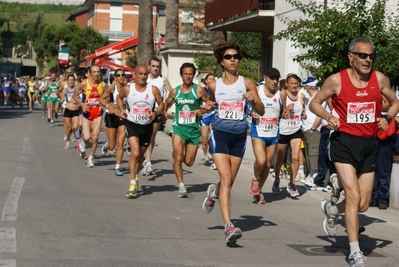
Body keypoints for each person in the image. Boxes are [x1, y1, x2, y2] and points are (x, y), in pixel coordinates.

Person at [310, 36, 399, 267]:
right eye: (362, 55)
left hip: (369, 145)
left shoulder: (379, 79)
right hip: (344, 143)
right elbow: (314, 103)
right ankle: (354, 252)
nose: (367, 60)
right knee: (353, 195)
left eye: (371, 56)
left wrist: (387, 116)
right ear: (351, 57)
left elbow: (396, 101)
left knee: (363, 204)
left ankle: (331, 209)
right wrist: (328, 116)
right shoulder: (336, 81)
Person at [201, 43, 264, 245]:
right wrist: (208, 106)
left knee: (228, 182)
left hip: (238, 138)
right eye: (228, 57)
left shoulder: (247, 83)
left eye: (236, 56)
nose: (233, 60)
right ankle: (228, 227)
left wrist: (254, 101)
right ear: (222, 61)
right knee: (226, 179)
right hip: (219, 135)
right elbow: (209, 106)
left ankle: (213, 193)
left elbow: (261, 110)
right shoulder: (214, 85)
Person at [164, 62, 211, 198]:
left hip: (193, 130)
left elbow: (210, 105)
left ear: (193, 75)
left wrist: (201, 109)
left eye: (190, 74)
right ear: (181, 75)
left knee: (189, 162)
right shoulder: (176, 91)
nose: (188, 76)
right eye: (186, 74)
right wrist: (161, 113)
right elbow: (166, 104)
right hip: (179, 128)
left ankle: (178, 158)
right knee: (178, 157)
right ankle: (181, 186)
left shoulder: (199, 90)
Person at [116, 64, 164, 198]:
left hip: (147, 126)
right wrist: (121, 110)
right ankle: (132, 183)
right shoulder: (127, 89)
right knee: (135, 153)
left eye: (145, 74)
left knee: (141, 156)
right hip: (132, 124)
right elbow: (119, 98)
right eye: (140, 74)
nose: (143, 77)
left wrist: (155, 113)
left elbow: (161, 104)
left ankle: (135, 175)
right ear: (135, 75)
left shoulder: (153, 89)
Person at [249, 67, 285, 204]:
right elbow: (247, 106)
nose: (275, 81)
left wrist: (285, 114)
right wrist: (250, 113)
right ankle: (254, 177)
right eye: (272, 78)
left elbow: (282, 112)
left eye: (277, 78)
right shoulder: (257, 90)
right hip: (258, 130)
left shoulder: (281, 94)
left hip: (273, 132)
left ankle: (258, 191)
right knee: (261, 161)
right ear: (265, 78)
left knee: (268, 164)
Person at [272, 73, 306, 197]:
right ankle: (276, 180)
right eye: (291, 83)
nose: (293, 86)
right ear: (287, 83)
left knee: (296, 157)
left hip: (296, 129)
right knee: (280, 158)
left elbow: (303, 109)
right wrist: (283, 113)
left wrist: (303, 113)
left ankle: (292, 183)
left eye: (295, 83)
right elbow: (277, 110)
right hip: (283, 129)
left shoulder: (301, 95)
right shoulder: (282, 94)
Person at [141, 57, 173, 176]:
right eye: (153, 66)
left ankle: (148, 162)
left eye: (157, 66)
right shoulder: (144, 77)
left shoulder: (162, 79)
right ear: (149, 66)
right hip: (143, 110)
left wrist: (166, 106)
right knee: (143, 136)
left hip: (157, 110)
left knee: (151, 136)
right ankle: (144, 157)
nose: (155, 68)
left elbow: (172, 92)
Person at [73, 65, 106, 168]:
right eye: (94, 72)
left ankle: (90, 158)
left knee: (95, 137)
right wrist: (82, 104)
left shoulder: (103, 84)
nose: (96, 74)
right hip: (87, 112)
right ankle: (82, 142)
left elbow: (106, 97)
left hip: (98, 112)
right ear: (90, 73)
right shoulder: (84, 83)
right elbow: (75, 96)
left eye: (98, 72)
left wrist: (106, 102)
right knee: (87, 137)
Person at [99, 68, 127, 176]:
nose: (121, 77)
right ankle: (106, 145)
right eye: (118, 75)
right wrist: (107, 106)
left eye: (122, 75)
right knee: (112, 146)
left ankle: (117, 167)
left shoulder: (128, 88)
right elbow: (101, 99)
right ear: (115, 77)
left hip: (123, 117)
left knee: (121, 143)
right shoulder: (112, 88)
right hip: (112, 116)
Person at [299, 77, 323, 189]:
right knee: (308, 153)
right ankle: (311, 175)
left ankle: (315, 177)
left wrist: (313, 128)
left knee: (313, 153)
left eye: (305, 87)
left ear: (309, 87)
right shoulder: (312, 98)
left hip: (313, 129)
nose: (305, 89)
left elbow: (320, 115)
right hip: (307, 129)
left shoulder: (319, 98)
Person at [60, 74, 80, 149]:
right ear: (67, 81)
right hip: (68, 110)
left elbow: (81, 98)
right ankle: (67, 142)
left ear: (74, 81)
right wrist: (62, 98)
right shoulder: (65, 90)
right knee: (68, 128)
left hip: (75, 110)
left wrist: (77, 101)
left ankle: (73, 132)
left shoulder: (77, 89)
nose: (71, 82)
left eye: (72, 80)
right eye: (70, 80)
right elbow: (61, 100)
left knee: (75, 126)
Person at [199, 73, 216, 162]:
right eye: (210, 79)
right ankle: (206, 154)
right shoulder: (201, 90)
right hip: (205, 116)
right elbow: (196, 105)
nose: (212, 80)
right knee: (204, 140)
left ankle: (214, 154)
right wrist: (204, 107)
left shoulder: (217, 90)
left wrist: (213, 106)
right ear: (206, 81)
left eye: (213, 79)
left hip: (214, 115)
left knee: (213, 137)